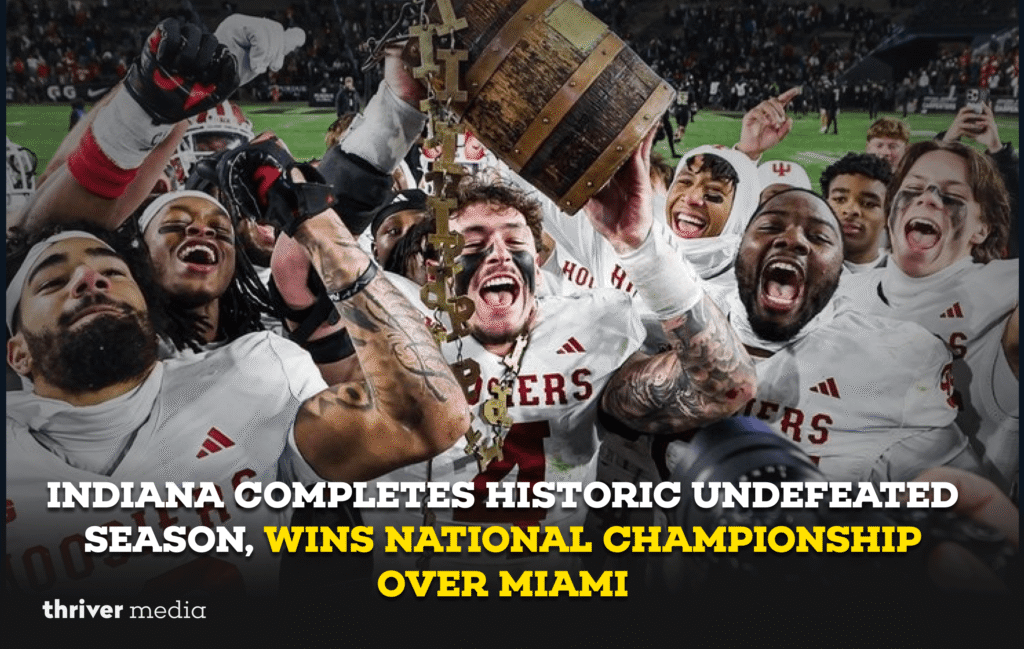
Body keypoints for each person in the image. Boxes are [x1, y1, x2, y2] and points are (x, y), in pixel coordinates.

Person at [5, 216, 471, 595]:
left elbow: (425, 421)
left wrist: (319, 227)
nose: (90, 280)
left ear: (147, 313)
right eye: (52, 282)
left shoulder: (253, 374)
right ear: (18, 353)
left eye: (113, 273)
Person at [359, 137, 756, 573]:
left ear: (539, 258)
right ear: (434, 271)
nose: (498, 258)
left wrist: (645, 252)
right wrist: (391, 120)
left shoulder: (586, 328)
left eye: (515, 245)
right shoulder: (387, 319)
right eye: (473, 247)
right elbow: (303, 256)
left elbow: (726, 389)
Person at [838, 141, 1018, 494]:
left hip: (960, 531)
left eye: (952, 197)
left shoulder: (1004, 291)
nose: (929, 199)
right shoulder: (841, 292)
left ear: (981, 229)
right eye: (914, 189)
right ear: (892, 211)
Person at [819, 152, 892, 273]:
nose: (851, 210)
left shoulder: (905, 277)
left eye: (868, 204)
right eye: (840, 199)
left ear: (889, 215)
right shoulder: (802, 271)